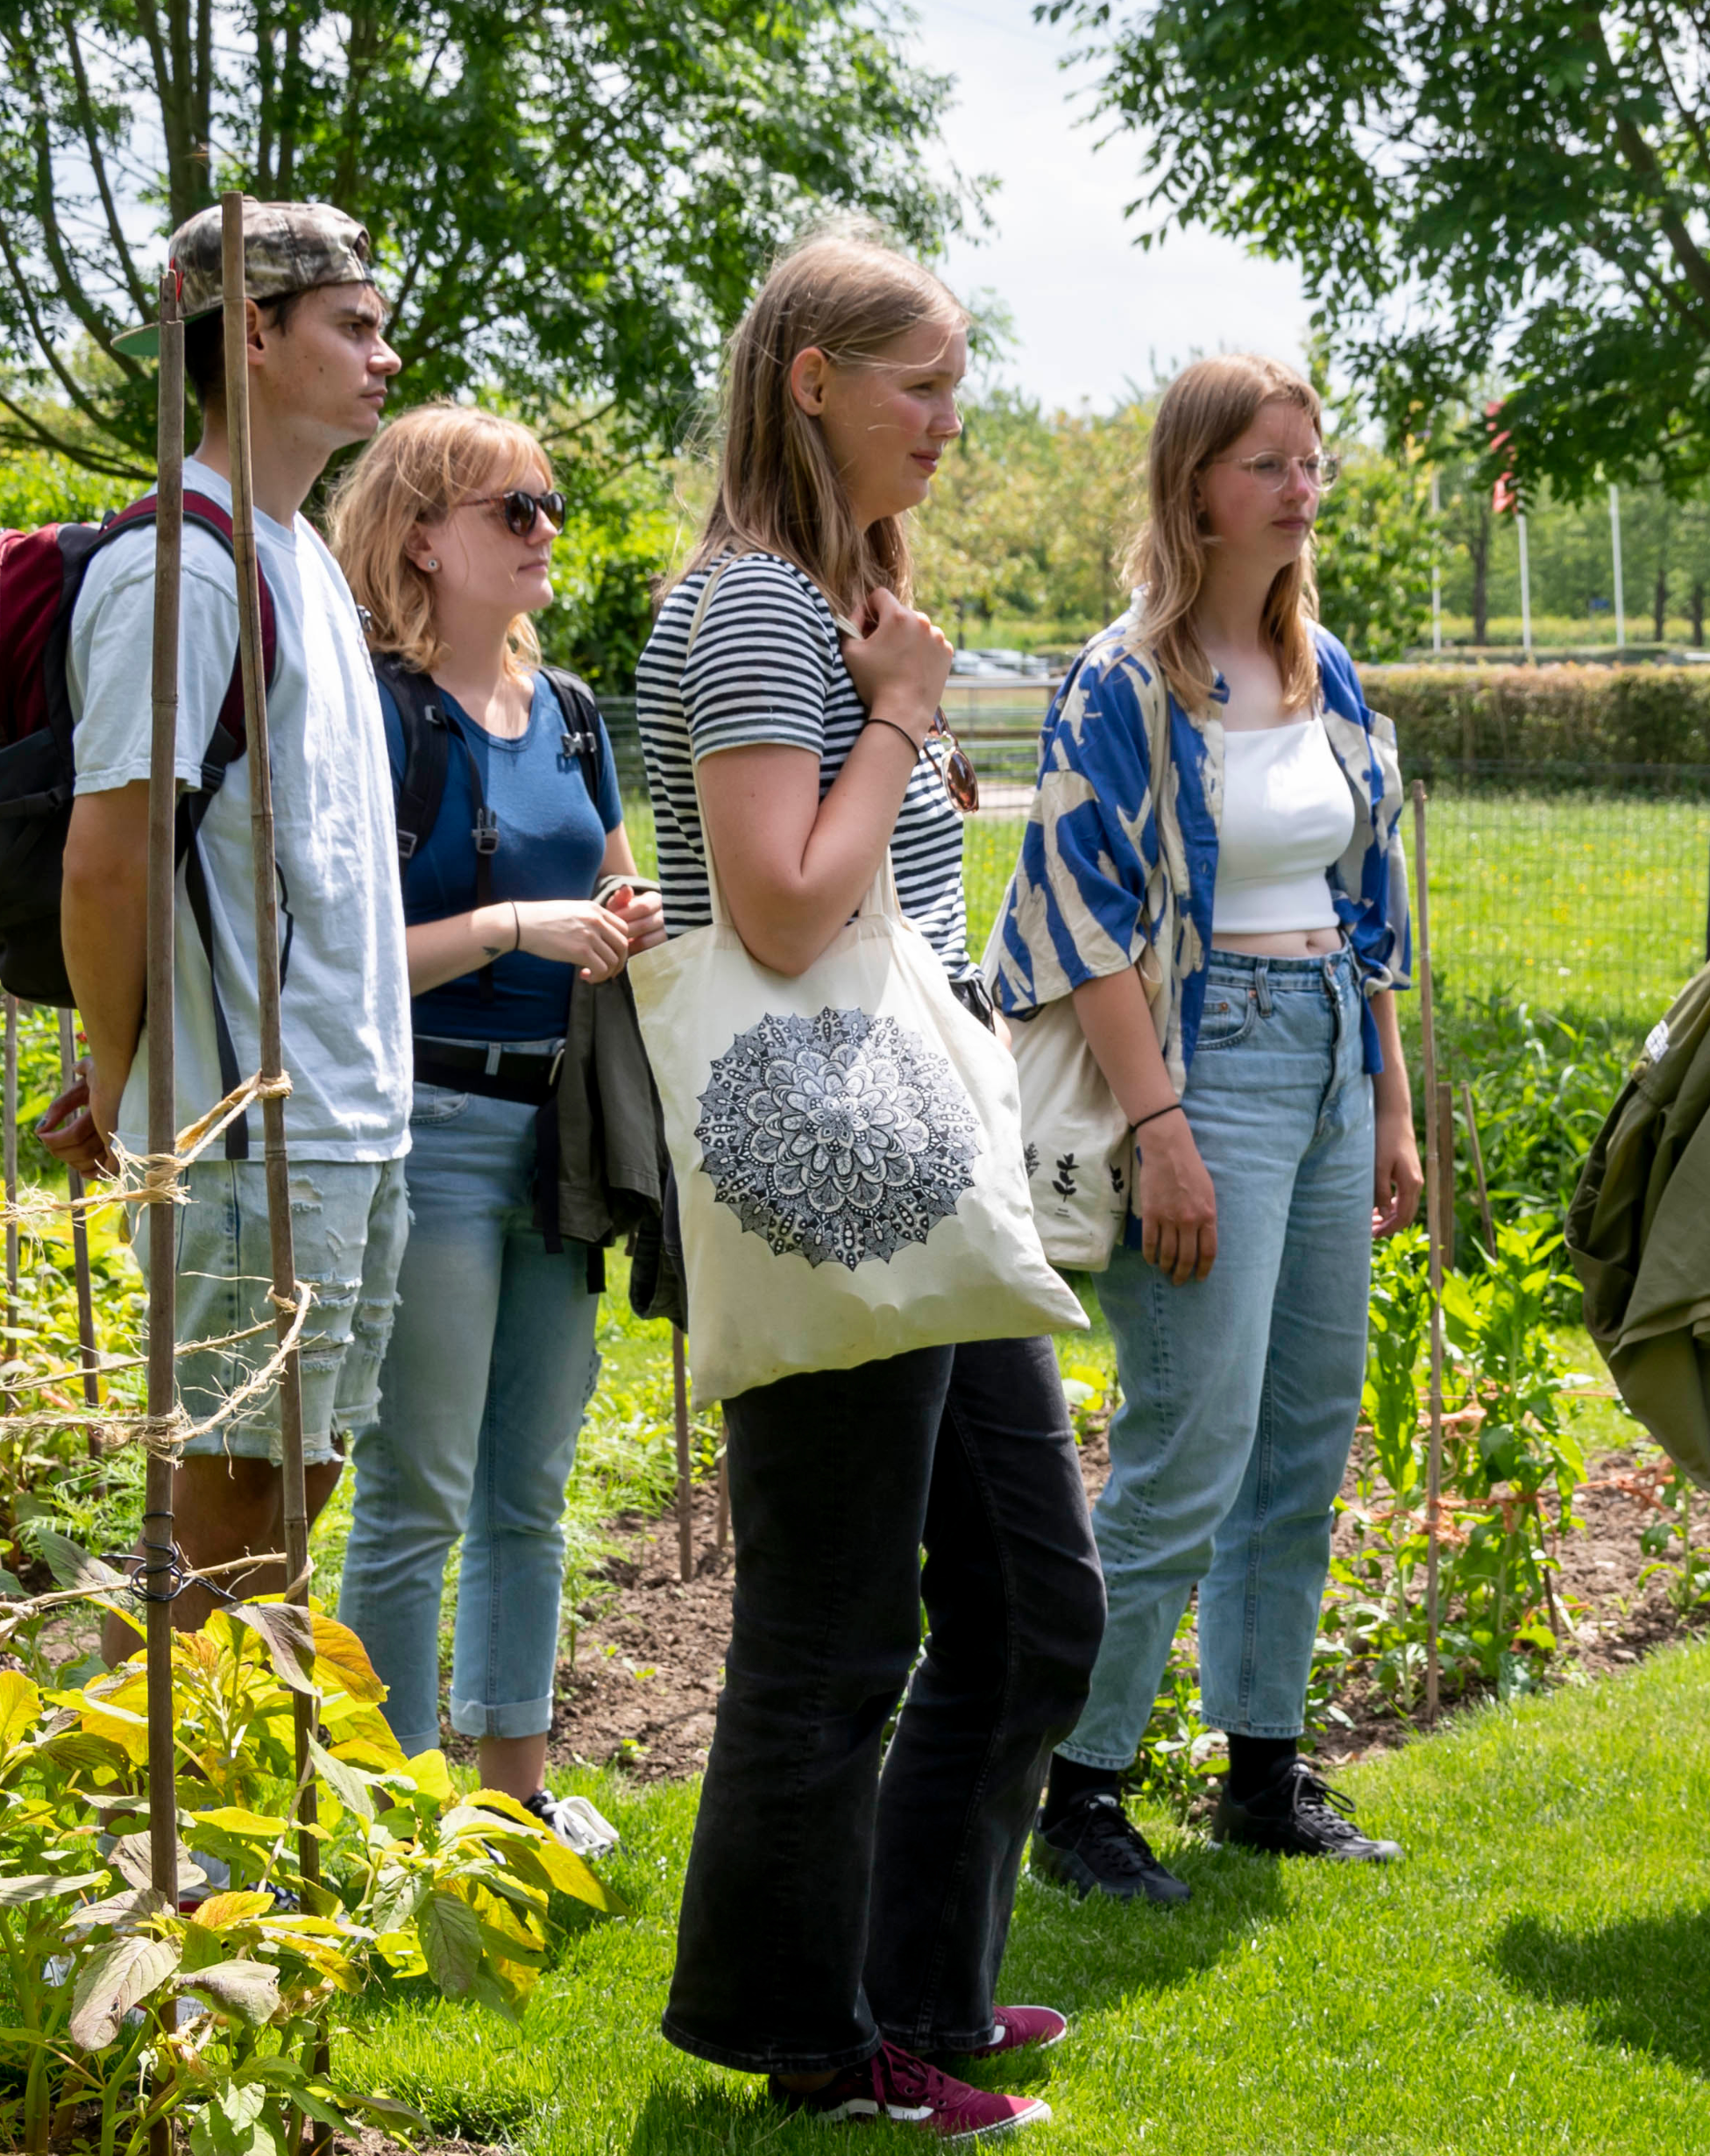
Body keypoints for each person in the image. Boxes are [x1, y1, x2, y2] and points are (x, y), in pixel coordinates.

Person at [639, 222, 1103, 2143]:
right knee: (834, 1632)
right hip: (823, 1159)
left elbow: (837, 862)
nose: (949, 422)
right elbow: (766, 899)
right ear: (811, 381)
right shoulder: (757, 607)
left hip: (911, 1151)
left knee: (1028, 1598)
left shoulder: (828, 605)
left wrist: (904, 755)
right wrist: (906, 714)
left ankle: (919, 1985)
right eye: (920, 385)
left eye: (959, 386)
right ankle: (804, 2039)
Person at [986, 354, 1426, 1906]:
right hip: (1202, 1059)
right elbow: (1084, 926)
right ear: (1194, 486)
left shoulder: (1331, 671)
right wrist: (1162, 1127)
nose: (1301, 488)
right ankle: (1081, 1792)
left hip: (1319, 1054)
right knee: (1191, 1438)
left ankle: (1260, 1767)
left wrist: (1385, 1093)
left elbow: (1366, 896)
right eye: (1267, 464)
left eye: (1313, 463)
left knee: (1307, 1426)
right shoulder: (1121, 684)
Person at [46, 202, 411, 1643]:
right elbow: (107, 856)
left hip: (346, 1110)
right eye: (354, 327)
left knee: (300, 1480)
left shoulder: (298, 554)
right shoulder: (180, 567)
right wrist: (130, 1076)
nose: (384, 358)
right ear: (251, 334)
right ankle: (148, 1822)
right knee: (226, 1500)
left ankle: (225, 1804)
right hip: (255, 1123)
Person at [323, 403, 660, 1853]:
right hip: (433, 1123)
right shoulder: (379, 716)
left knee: (532, 1481)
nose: (544, 532)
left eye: (548, 506)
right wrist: (513, 925)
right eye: (511, 510)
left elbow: (618, 883)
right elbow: (335, 963)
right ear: (419, 536)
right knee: (419, 1488)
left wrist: (624, 922)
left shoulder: (570, 712)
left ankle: (511, 1794)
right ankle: (393, 1813)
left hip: (558, 1135)